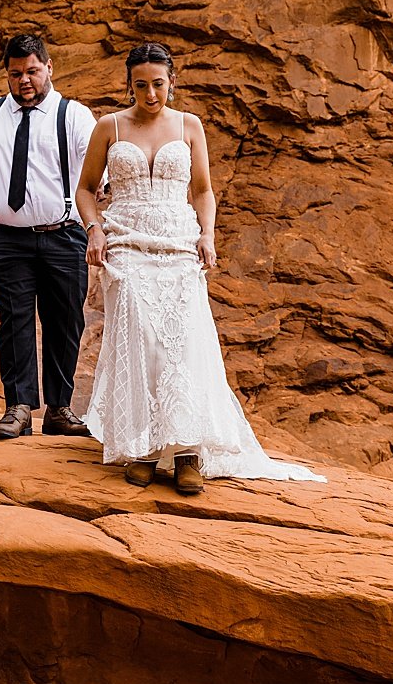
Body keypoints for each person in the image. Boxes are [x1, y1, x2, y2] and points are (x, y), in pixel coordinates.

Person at [73, 42, 326, 494]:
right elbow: (87, 190)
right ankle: (145, 448)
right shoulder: (109, 127)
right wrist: (94, 230)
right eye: (140, 85)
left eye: (158, 84)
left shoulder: (190, 125)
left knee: (182, 342)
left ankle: (188, 451)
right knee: (139, 338)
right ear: (129, 85)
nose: (150, 94)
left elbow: (203, 190)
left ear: (172, 81)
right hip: (126, 244)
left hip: (178, 241)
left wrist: (207, 235)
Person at [0, 33, 97, 441]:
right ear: (6, 75)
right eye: (15, 73)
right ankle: (19, 407)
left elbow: (98, 174)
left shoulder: (74, 116)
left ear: (48, 68)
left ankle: (60, 408)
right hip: (3, 238)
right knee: (16, 320)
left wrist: (95, 224)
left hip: (62, 236)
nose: (24, 80)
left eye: (32, 71)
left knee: (65, 321)